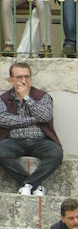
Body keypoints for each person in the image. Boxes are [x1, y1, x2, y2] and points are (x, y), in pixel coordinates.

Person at [0, 63, 60, 196]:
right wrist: (33, 120)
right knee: (1, 151)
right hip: (13, 140)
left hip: (40, 140)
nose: (23, 80)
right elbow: (3, 119)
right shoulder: (4, 98)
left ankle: (28, 185)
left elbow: (45, 116)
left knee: (56, 153)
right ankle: (35, 186)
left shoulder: (42, 96)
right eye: (19, 77)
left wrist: (27, 98)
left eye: (27, 77)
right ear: (11, 80)